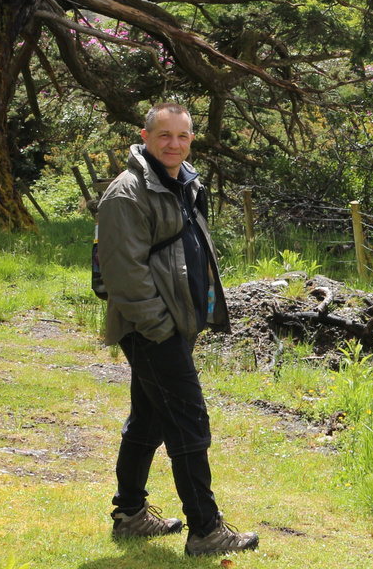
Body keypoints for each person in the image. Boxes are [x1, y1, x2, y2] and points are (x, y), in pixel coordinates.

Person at [96, 101, 258, 555]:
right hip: (152, 328)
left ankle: (128, 514)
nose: (175, 144)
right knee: (188, 419)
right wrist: (161, 327)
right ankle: (206, 530)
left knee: (149, 417)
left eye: (183, 136)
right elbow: (124, 274)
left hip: (174, 325)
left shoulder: (182, 182)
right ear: (144, 137)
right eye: (165, 135)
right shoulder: (127, 193)